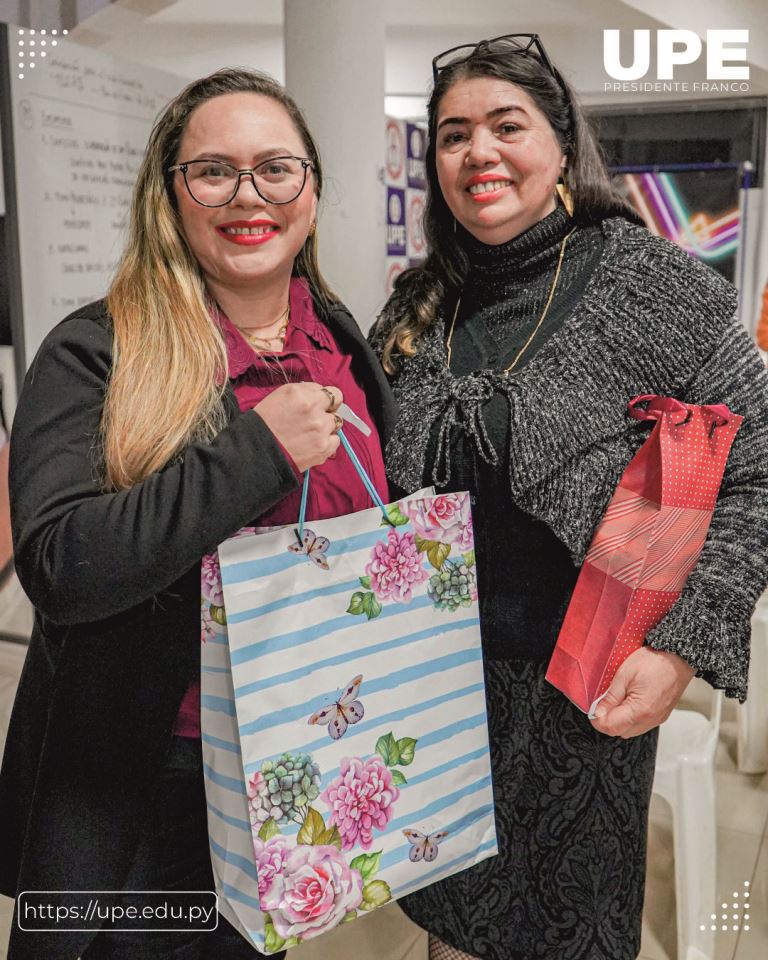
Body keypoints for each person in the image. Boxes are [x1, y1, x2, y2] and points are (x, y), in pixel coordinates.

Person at [370, 34, 768, 960]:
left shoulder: (650, 283)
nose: (480, 153)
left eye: (507, 125)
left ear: (559, 143)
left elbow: (756, 472)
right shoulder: (418, 304)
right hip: (436, 696)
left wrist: (681, 647)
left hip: (581, 695)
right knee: (453, 931)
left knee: (564, 934)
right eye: (455, 134)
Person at [0, 68, 395, 960]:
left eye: (276, 169)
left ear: (313, 191)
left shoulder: (339, 341)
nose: (248, 196)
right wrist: (255, 451)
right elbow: (60, 564)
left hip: (298, 768)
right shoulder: (95, 351)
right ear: (170, 195)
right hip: (147, 786)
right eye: (213, 171)